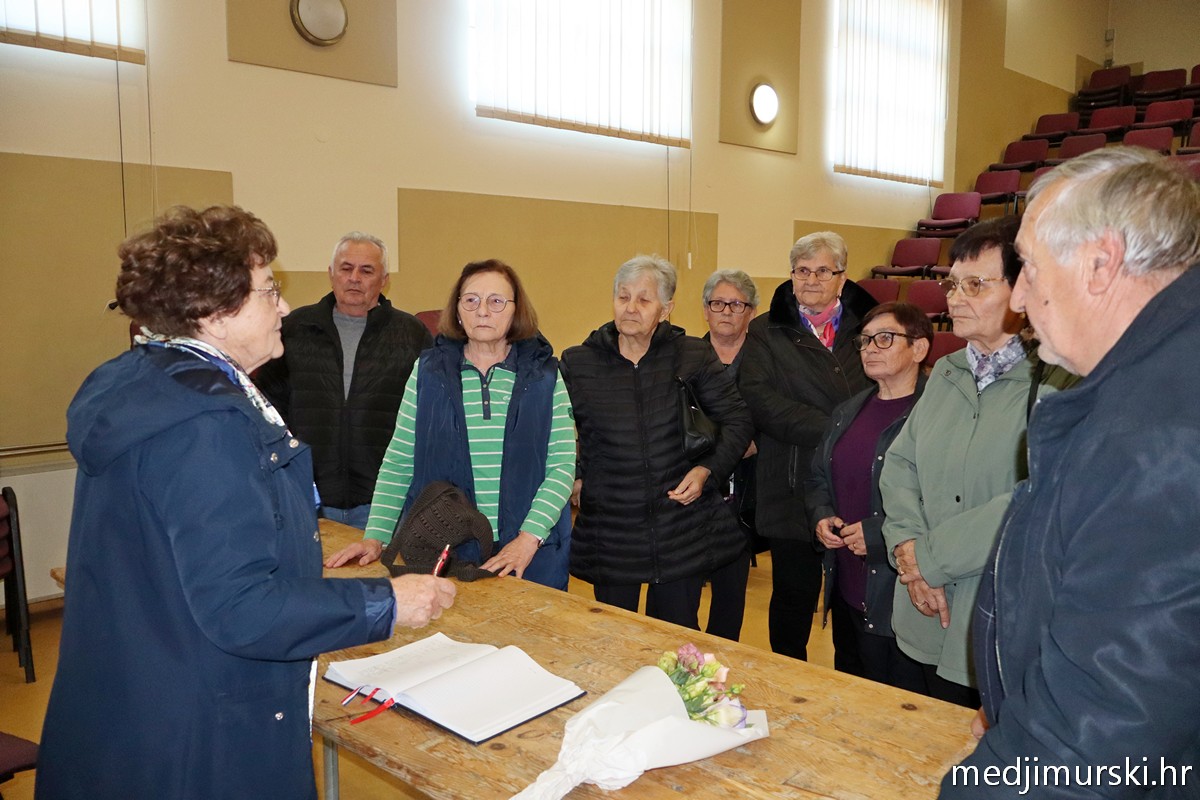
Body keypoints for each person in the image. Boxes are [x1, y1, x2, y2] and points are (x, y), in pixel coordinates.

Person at [36, 206, 455, 800]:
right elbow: (241, 607)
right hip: (198, 728)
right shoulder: (204, 424)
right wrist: (387, 602)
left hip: (139, 699)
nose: (284, 307)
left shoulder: (144, 383)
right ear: (214, 312)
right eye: (269, 290)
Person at [942, 148, 1200, 796]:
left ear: (1101, 263)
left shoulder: (1160, 440)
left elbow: (1100, 732)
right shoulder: (1150, 391)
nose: (1018, 298)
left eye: (1028, 267)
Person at [879, 216, 1073, 708]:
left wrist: (928, 559)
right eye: (952, 284)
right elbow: (900, 466)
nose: (954, 298)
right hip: (920, 609)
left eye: (975, 284)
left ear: (1024, 290)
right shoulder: (946, 371)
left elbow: (1033, 498)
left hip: (994, 618)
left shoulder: (1058, 382)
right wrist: (907, 549)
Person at [325, 259, 574, 589]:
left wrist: (528, 539)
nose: (482, 311)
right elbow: (400, 460)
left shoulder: (544, 376)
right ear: (457, 311)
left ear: (516, 311)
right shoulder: (428, 372)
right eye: (471, 300)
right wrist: (375, 537)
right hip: (448, 552)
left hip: (531, 553)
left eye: (496, 301)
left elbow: (561, 466)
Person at [561, 255, 753, 629]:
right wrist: (577, 472)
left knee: (675, 634)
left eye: (644, 299)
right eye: (623, 297)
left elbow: (738, 419)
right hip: (612, 529)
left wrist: (707, 470)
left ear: (665, 310)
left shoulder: (692, 355)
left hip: (680, 525)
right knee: (614, 635)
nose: (630, 307)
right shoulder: (579, 363)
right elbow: (556, 431)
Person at [737, 231, 877, 660]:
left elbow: (885, 392)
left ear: (842, 277)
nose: (811, 280)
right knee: (792, 596)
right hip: (790, 481)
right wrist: (839, 428)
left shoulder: (872, 328)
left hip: (857, 480)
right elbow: (760, 400)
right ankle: (787, 679)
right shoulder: (765, 331)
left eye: (822, 271)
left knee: (853, 601)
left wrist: (851, 433)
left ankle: (853, 685)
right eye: (802, 271)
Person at [255, 232, 431, 529]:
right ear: (331, 274)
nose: (354, 278)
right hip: (307, 498)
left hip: (385, 504)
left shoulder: (412, 335)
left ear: (384, 279)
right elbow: (268, 409)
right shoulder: (294, 329)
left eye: (367, 271)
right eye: (346, 268)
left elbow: (426, 419)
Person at [806, 302, 931, 692]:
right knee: (852, 694)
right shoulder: (849, 411)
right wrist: (821, 514)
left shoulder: (936, 415)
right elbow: (818, 476)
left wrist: (878, 534)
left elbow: (946, 499)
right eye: (865, 340)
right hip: (848, 587)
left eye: (885, 338)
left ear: (919, 348)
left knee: (898, 704)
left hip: (903, 593)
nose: (870, 348)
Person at [699, 269, 760, 641]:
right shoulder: (685, 356)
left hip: (746, 489)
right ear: (705, 310)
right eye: (718, 303)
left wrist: (756, 442)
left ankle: (720, 661)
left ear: (751, 312)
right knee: (680, 592)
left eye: (736, 304)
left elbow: (776, 416)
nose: (726, 311)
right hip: (692, 488)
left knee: (730, 592)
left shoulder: (765, 360)